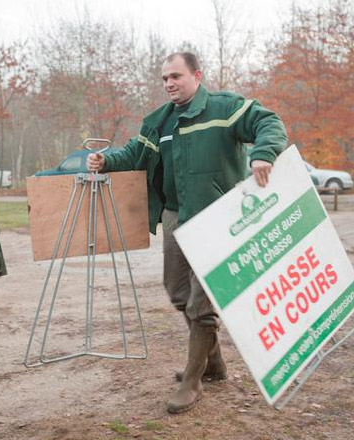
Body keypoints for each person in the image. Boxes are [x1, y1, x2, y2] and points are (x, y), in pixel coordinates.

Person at [87, 52, 287, 414]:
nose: (169, 84)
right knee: (177, 292)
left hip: (217, 221)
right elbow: (135, 153)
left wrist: (264, 153)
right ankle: (214, 363)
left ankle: (193, 382)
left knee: (200, 303)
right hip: (176, 218)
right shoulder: (161, 121)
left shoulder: (224, 108)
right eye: (164, 79)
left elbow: (268, 122)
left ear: (196, 75)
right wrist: (106, 161)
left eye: (176, 76)